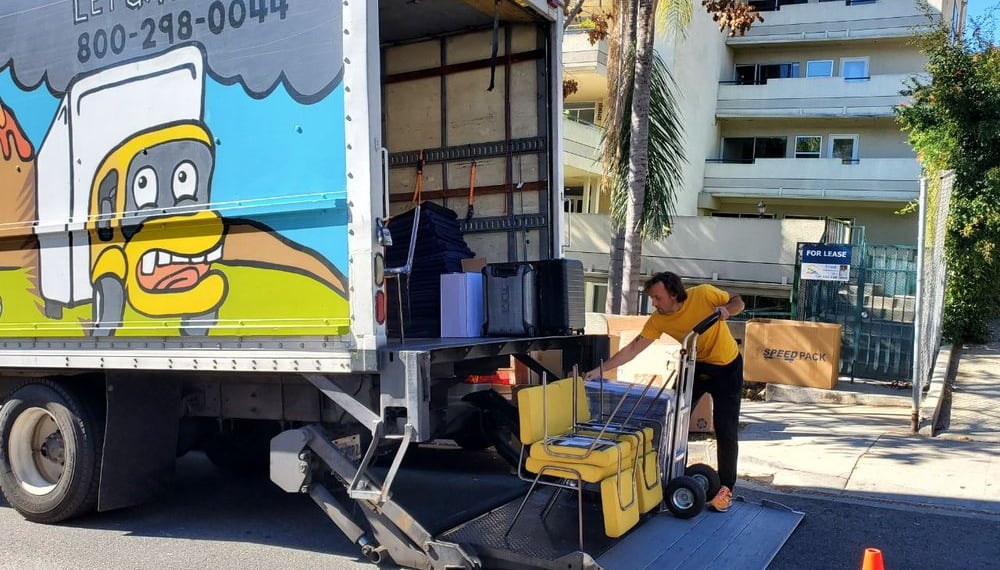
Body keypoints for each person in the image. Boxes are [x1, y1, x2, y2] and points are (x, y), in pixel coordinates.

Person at [584, 271, 745, 512]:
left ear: (673, 294)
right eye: (652, 298)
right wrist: (600, 369)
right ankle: (676, 475)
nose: (654, 303)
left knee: (725, 427)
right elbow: (633, 348)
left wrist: (726, 310)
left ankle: (726, 488)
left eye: (657, 298)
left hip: (727, 366)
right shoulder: (658, 319)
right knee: (673, 420)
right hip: (694, 365)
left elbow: (738, 301)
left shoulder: (703, 294)